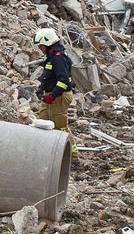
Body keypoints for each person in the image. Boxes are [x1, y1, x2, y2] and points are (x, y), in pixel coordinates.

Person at [35, 28, 79, 166]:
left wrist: (53, 95)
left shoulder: (58, 58)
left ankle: (73, 158)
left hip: (59, 97)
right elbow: (49, 76)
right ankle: (46, 155)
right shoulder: (52, 57)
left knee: (61, 128)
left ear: (47, 44)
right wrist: (42, 88)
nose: (40, 48)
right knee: (42, 124)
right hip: (51, 96)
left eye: (41, 45)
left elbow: (63, 81)